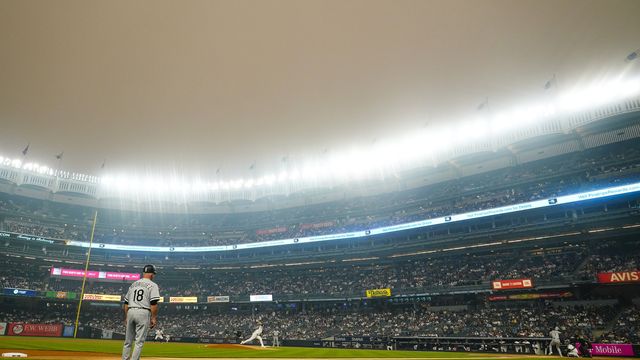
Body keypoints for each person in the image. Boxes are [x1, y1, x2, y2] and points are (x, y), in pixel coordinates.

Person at [122, 265, 161, 360]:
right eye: (153, 274)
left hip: (131, 310)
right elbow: (153, 303)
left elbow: (126, 303)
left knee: (128, 341)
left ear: (144, 273)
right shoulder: (153, 285)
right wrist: (154, 317)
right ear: (152, 274)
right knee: (139, 342)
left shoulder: (133, 284)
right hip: (143, 312)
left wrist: (127, 316)